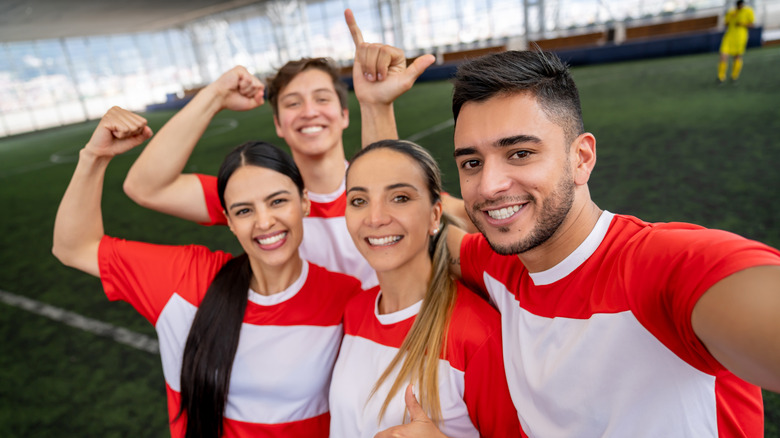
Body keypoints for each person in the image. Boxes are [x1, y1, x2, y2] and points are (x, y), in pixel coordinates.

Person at [371, 49, 780, 437]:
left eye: (520, 153)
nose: (490, 186)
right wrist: (376, 107)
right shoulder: (502, 264)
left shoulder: (664, 267)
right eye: (472, 163)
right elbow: (416, 219)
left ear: (581, 158)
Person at [52, 107, 362, 437]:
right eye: (244, 210)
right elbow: (73, 247)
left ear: (304, 202)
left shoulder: (347, 296)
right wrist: (94, 156)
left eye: (277, 201)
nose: (264, 222)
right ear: (228, 220)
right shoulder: (187, 278)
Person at [121, 10, 472, 291]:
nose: (308, 111)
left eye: (321, 98)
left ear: (344, 113)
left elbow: (469, 222)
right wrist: (212, 96)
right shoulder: (259, 199)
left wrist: (377, 105)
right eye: (293, 103)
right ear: (277, 123)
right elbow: (146, 187)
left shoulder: (390, 195)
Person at [328, 139, 522, 437]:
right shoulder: (355, 310)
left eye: (400, 198)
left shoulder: (478, 335)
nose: (375, 218)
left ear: (434, 215)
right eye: (359, 201)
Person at [717, 0, 755, 83]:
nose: (740, 6)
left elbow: (752, 24)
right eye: (738, 5)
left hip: (741, 37)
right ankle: (721, 77)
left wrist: (742, 24)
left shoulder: (748, 11)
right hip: (729, 36)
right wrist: (731, 17)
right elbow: (726, 24)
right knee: (723, 55)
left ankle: (734, 76)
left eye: (741, 5)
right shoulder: (731, 12)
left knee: (737, 56)